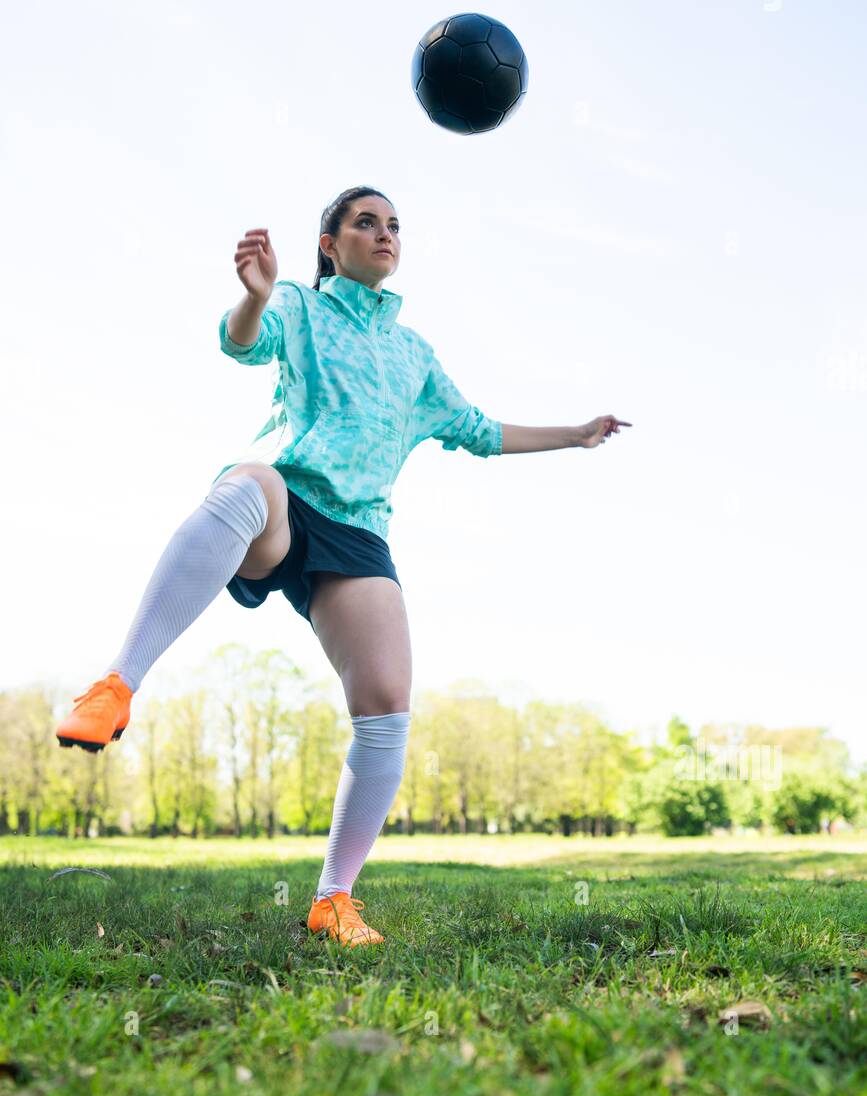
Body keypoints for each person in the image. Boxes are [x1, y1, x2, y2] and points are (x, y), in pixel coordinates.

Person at [55, 185, 631, 946]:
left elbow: (479, 431)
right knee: (248, 480)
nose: (384, 234)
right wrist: (255, 298)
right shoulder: (300, 303)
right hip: (287, 505)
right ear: (330, 244)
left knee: (387, 700)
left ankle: (333, 899)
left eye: (393, 225)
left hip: (358, 533)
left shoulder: (414, 354)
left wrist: (575, 432)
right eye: (366, 223)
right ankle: (116, 685)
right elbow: (240, 343)